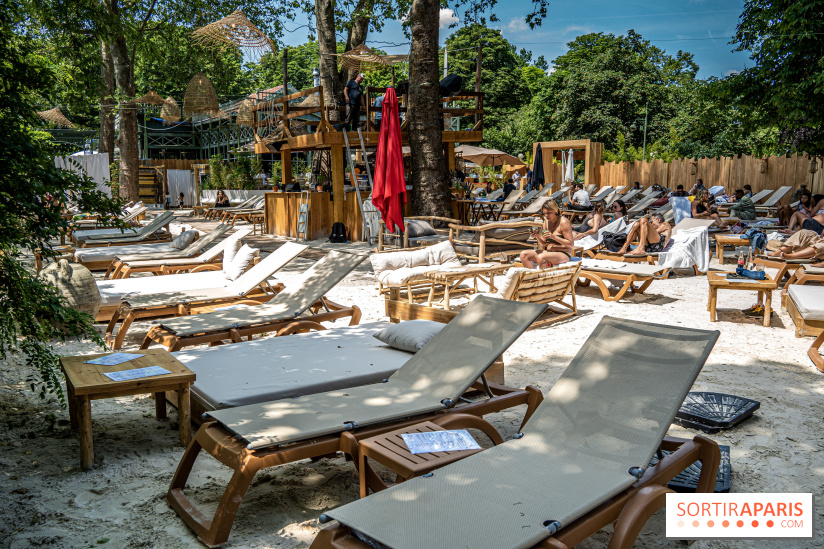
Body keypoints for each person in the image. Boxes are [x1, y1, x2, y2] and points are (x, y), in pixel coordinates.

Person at [519, 201, 574, 268]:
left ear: (555, 211)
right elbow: (543, 243)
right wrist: (537, 236)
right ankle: (532, 276)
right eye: (544, 213)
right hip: (549, 252)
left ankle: (544, 277)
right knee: (523, 254)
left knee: (541, 257)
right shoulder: (546, 222)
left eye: (549, 213)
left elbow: (570, 244)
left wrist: (553, 237)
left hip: (563, 253)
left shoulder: (564, 222)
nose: (546, 215)